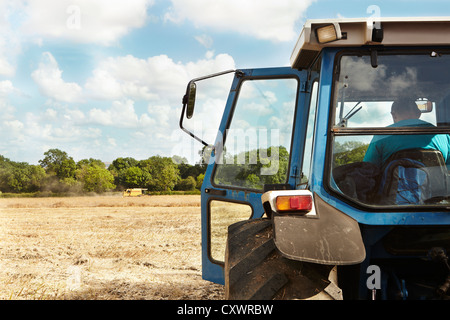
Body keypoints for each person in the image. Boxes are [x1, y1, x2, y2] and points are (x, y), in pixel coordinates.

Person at [363, 97, 450, 169]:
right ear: (419, 113)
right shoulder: (443, 135)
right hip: (437, 189)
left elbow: (368, 170)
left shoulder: (381, 136)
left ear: (394, 115)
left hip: (394, 190)